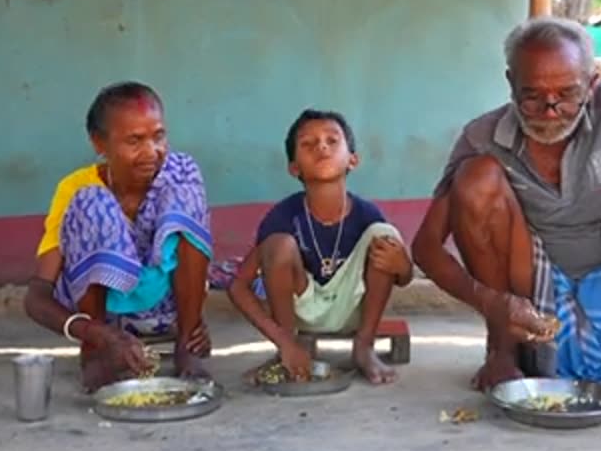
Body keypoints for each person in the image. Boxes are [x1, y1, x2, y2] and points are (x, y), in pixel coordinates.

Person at [411, 17, 601, 406]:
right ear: (510, 83)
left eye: (567, 94)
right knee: (477, 177)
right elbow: (426, 247)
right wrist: (490, 302)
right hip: (537, 289)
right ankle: (503, 351)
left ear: (593, 83)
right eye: (532, 96)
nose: (550, 111)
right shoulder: (482, 137)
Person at [24, 81, 214, 392]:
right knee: (91, 201)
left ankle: (187, 344)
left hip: (163, 310)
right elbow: (36, 297)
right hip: (102, 321)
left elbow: (192, 250)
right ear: (100, 144)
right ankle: (96, 357)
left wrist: (192, 320)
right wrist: (94, 334)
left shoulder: (173, 179)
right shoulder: (75, 188)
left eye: (158, 136)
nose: (151, 152)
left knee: (185, 172)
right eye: (134, 140)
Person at [228, 109, 414, 385]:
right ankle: (288, 349)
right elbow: (237, 286)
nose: (322, 147)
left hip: (353, 309)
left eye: (332, 140)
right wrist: (282, 340)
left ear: (353, 159)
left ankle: (364, 346)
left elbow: (402, 275)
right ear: (294, 167)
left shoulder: (366, 214)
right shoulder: (282, 216)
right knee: (279, 245)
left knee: (384, 235)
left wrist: (405, 268)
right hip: (300, 312)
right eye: (308, 144)